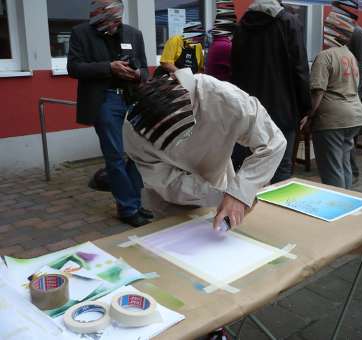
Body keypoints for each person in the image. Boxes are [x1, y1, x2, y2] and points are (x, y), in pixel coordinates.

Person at [123, 68, 286, 229]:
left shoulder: (221, 97)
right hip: (170, 200)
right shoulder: (133, 133)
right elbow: (168, 182)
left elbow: (273, 142)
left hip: (219, 179)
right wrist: (222, 196)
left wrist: (241, 191)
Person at [67, 0, 151, 227]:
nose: (113, 25)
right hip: (105, 99)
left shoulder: (133, 34)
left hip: (132, 99)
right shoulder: (80, 33)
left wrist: (137, 74)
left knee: (137, 153)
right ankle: (127, 209)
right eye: (107, 20)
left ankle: (135, 202)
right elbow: (74, 68)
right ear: (97, 16)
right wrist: (109, 67)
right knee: (115, 155)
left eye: (117, 19)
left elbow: (145, 69)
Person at [231, 0, 311, 183]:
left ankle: (246, 210)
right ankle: (277, 212)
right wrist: (305, 108)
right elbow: (300, 69)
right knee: (281, 170)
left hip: (248, 111)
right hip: (282, 110)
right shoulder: (289, 22)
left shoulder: (241, 26)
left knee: (246, 170)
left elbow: (234, 71)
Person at [300, 1, 362, 189]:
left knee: (331, 170)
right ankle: (348, 204)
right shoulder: (350, 55)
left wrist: (308, 115)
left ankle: (338, 208)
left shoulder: (325, 56)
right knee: (344, 165)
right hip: (354, 117)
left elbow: (318, 91)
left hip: (332, 120)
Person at [347, 24, 362, 182]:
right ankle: (348, 170)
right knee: (345, 135)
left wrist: (352, 90)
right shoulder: (340, 32)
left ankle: (352, 172)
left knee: (347, 134)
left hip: (351, 93)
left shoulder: (358, 34)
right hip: (342, 92)